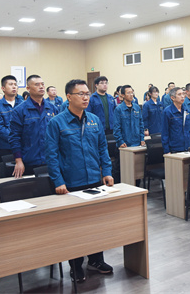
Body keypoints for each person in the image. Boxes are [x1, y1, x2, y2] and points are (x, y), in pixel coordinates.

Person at [46, 79, 114, 282]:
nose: (86, 98)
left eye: (87, 94)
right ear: (69, 97)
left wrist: (107, 171)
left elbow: (102, 147)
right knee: (74, 226)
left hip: (94, 179)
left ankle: (96, 260)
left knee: (95, 223)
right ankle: (75, 265)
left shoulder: (94, 119)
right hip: (71, 182)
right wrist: (58, 181)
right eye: (80, 94)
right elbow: (52, 155)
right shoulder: (56, 122)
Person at [9, 74, 59, 177]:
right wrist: (18, 161)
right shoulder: (20, 110)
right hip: (30, 160)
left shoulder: (52, 108)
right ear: (28, 88)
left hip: (51, 160)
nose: (41, 87)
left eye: (42, 84)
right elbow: (15, 137)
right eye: (37, 84)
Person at [0, 75, 22, 156]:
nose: (14, 87)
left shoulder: (23, 104)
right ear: (3, 88)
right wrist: (15, 138)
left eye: (15, 84)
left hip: (23, 146)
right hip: (6, 147)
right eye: (11, 84)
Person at [161, 87, 190, 154]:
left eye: (183, 94)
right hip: (175, 147)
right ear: (173, 98)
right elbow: (165, 132)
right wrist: (167, 150)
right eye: (179, 94)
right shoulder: (168, 111)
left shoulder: (186, 110)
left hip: (187, 147)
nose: (182, 96)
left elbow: (188, 129)